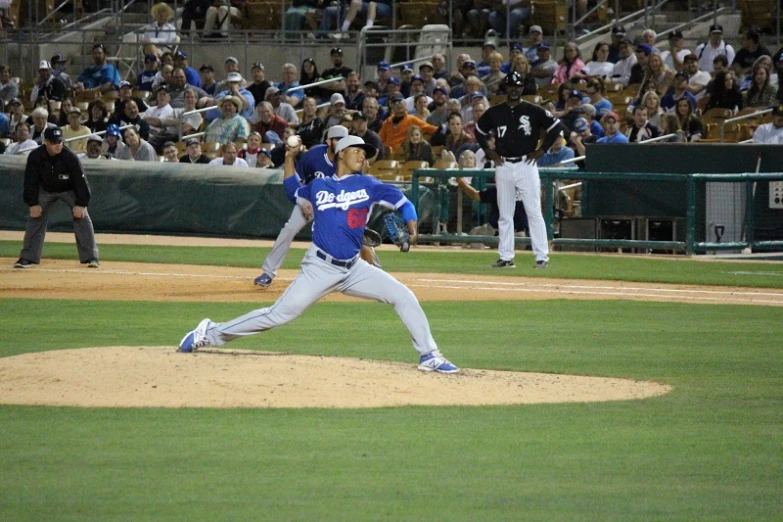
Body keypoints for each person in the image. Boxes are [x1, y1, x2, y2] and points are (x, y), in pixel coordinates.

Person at [179, 133, 459, 374]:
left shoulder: (369, 184)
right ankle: (210, 332)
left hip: (353, 269)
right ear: (340, 154)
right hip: (319, 268)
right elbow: (291, 191)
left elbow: (402, 201)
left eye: (365, 152)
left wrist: (411, 224)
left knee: (403, 295)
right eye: (357, 151)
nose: (363, 156)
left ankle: (429, 355)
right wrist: (290, 158)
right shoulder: (318, 186)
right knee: (278, 315)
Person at [474, 71, 561, 269]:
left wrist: (541, 150)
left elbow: (555, 126)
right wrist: (489, 151)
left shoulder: (532, 110)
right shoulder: (495, 112)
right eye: (511, 86)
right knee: (505, 214)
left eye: (518, 86)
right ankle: (506, 257)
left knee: (533, 211)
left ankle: (541, 257)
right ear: (506, 88)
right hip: (503, 164)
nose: (514, 89)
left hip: (526, 164)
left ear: (522, 88)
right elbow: (478, 130)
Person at [253, 125, 349, 287]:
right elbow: (295, 184)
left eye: (344, 140)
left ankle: (345, 275)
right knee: (289, 229)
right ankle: (268, 273)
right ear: (328, 141)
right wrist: (302, 202)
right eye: (337, 139)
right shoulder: (313, 156)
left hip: (334, 204)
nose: (341, 143)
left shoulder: (350, 161)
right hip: (309, 199)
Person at [14, 127, 99, 269]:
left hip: (68, 189)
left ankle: (92, 257)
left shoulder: (70, 157)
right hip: (45, 190)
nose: (58, 145)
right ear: (46, 142)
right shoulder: (35, 156)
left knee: (82, 217)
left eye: (60, 141)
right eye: (54, 142)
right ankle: (27, 258)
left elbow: (81, 182)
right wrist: (33, 203)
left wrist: (81, 204)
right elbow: (30, 182)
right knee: (35, 218)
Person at [456, 175, 528, 236]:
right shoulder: (523, 189)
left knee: (475, 233)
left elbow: (474, 195)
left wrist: (460, 181)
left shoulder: (498, 189)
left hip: (500, 234)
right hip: (520, 236)